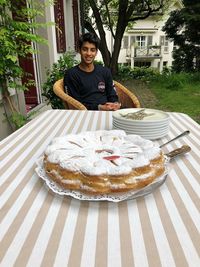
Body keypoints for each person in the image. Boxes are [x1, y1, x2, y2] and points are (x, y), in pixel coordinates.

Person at [64, 32, 121, 111]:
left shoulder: (105, 72)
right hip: (85, 115)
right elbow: (75, 104)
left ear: (96, 52)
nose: (89, 53)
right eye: (85, 49)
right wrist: (99, 107)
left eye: (92, 50)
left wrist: (115, 104)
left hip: (108, 112)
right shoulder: (71, 74)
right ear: (79, 50)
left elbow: (112, 94)